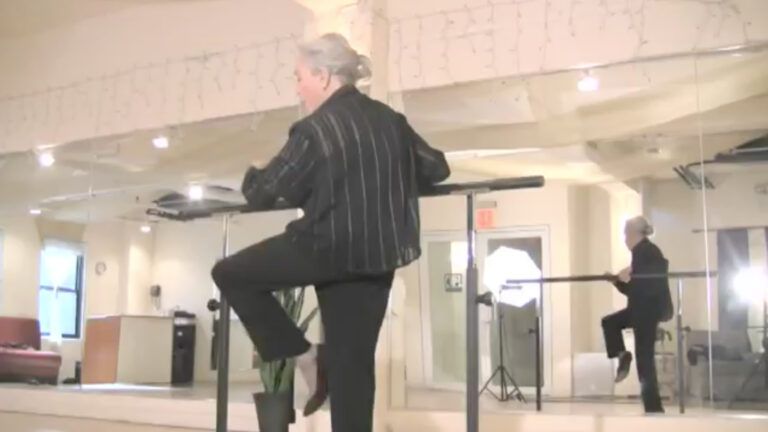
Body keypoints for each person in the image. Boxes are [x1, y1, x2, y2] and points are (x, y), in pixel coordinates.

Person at [211, 33, 450, 432]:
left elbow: (263, 192)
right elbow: (436, 168)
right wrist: (385, 178)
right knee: (353, 369)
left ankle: (305, 356)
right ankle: (321, 365)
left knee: (230, 273)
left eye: (299, 76)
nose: (298, 85)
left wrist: (254, 168)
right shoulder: (390, 121)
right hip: (378, 256)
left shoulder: (314, 129)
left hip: (325, 248)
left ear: (322, 76)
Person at [601, 216, 673, 414]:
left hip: (647, 312)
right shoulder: (641, 252)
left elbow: (648, 284)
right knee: (610, 323)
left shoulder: (647, 251)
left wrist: (628, 276)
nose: (624, 239)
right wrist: (617, 280)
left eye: (625, 234)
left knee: (645, 359)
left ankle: (653, 407)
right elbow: (634, 289)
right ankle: (623, 355)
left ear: (634, 234)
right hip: (640, 309)